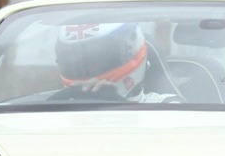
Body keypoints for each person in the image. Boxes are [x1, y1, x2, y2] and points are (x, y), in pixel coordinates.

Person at [50, 21, 180, 104]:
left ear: (132, 49)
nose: (89, 72)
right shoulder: (53, 106)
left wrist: (113, 102)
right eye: (75, 61)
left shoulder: (165, 107)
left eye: (99, 60)